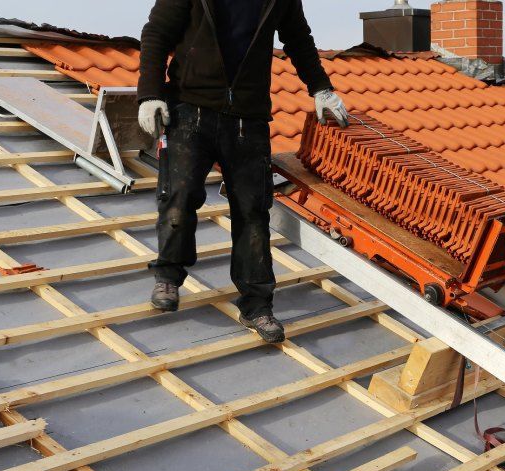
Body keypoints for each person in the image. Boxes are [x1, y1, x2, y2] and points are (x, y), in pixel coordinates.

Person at [137, 0, 349, 344]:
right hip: (191, 109)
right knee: (179, 195)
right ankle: (168, 277)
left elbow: (298, 38)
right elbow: (157, 33)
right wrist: (149, 93)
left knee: (252, 212)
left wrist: (321, 88)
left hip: (247, 117)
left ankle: (257, 305)